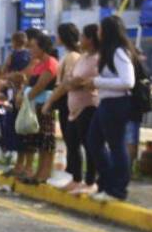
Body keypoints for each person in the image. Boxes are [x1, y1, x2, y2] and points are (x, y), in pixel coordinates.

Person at [73, 15, 137, 202]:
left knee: (116, 146)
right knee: (93, 141)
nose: (98, 32)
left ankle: (118, 189)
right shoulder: (108, 52)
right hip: (106, 103)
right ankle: (107, 183)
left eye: (100, 29)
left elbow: (128, 82)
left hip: (117, 104)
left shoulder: (119, 51)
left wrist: (97, 81)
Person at [54, 23, 100, 194]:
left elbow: (88, 81)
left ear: (90, 39)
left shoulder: (97, 58)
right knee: (72, 142)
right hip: (74, 108)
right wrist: (73, 82)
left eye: (83, 37)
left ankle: (90, 181)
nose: (80, 40)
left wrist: (75, 83)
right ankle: (76, 179)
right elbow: (69, 80)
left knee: (89, 145)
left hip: (88, 106)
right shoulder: (83, 57)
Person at [13, 32, 59, 184]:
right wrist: (21, 94)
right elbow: (28, 83)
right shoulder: (38, 63)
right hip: (33, 105)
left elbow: (40, 86)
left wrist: (25, 98)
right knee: (38, 141)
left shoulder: (51, 63)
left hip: (43, 106)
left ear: (42, 48)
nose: (31, 50)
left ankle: (44, 173)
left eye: (33, 47)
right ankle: (38, 172)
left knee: (46, 141)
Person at [49, 23, 82, 186]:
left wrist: (50, 100)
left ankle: (74, 174)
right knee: (70, 140)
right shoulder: (69, 55)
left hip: (66, 101)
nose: (56, 38)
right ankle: (72, 173)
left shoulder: (72, 57)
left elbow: (65, 84)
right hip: (65, 100)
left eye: (58, 34)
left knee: (72, 140)